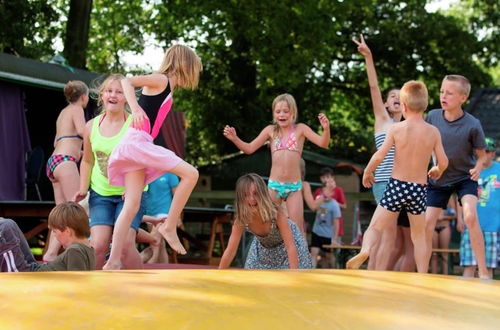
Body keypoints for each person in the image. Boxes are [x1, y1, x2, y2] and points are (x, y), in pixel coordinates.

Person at [103, 45, 202, 269]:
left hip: (136, 144)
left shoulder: (167, 86)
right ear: (184, 64)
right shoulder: (161, 79)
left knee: (131, 205)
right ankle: (168, 227)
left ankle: (113, 262)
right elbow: (127, 81)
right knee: (191, 174)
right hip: (138, 142)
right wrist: (135, 108)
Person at [346, 80, 448, 273]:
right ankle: (423, 273)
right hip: (418, 188)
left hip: (396, 186)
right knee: (419, 236)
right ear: (424, 105)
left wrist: (368, 172)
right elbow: (443, 161)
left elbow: (379, 155)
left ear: (404, 106)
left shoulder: (396, 129)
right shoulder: (433, 132)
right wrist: (437, 170)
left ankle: (366, 249)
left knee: (375, 227)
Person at [223, 94, 330, 234]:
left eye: (286, 111)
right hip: (274, 186)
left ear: (293, 113)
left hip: (294, 187)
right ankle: (268, 254)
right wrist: (235, 139)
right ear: (273, 114)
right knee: (266, 223)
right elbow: (249, 149)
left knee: (297, 229)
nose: (282, 114)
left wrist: (326, 129)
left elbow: (324, 143)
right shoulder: (270, 131)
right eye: (278, 111)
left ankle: (301, 256)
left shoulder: (301, 129)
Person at [352, 34, 413, 272]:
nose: (396, 99)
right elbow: (374, 87)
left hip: (404, 184)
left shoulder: (409, 127)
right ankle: (373, 277)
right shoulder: (383, 121)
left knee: (396, 240)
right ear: (386, 104)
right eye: (392, 97)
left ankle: (381, 275)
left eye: (401, 97)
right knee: (387, 235)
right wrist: (369, 57)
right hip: (385, 183)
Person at [74, 74, 146, 270]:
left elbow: (147, 161)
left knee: (124, 245)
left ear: (127, 97)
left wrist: (133, 189)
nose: (113, 95)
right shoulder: (91, 126)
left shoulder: (135, 124)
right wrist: (83, 188)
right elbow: (88, 161)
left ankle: (141, 291)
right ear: (102, 96)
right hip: (101, 194)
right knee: (97, 246)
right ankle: (95, 293)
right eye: (109, 91)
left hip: (130, 194)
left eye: (119, 91)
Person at [424, 74, 490, 278]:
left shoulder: (472, 124)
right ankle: (421, 270)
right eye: (442, 91)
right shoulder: (432, 117)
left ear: (463, 98)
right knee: (426, 223)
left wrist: (478, 167)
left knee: (470, 216)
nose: (443, 96)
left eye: (449, 93)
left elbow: (482, 156)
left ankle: (484, 271)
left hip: (464, 177)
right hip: (438, 177)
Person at [219, 173, 313, 269]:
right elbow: (230, 251)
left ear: (262, 194)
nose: (252, 199)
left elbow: (290, 247)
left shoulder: (276, 214)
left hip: (289, 246)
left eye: (255, 193)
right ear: (240, 198)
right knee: (252, 275)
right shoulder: (241, 220)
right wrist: (218, 275)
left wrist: (295, 276)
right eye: (246, 195)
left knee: (287, 277)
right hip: (264, 248)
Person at [44, 80, 88, 262]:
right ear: (84, 97)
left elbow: (57, 142)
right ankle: (85, 247)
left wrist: (80, 151)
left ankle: (51, 253)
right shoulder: (78, 109)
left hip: (54, 161)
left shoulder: (63, 113)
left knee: (61, 213)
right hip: (65, 161)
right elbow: (83, 131)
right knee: (79, 205)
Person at [0, 202, 95, 272]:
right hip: (33, 270)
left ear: (67, 231)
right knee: (9, 224)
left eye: (55, 231)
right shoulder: (89, 249)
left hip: (28, 276)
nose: (55, 237)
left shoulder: (75, 250)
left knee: (6, 226)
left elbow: (78, 283)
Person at [460, 137, 499, 278]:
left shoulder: (499, 169)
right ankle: (462, 298)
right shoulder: (470, 169)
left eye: (487, 151)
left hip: (493, 226)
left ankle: (486, 299)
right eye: (480, 151)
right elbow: (460, 194)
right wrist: (460, 218)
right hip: (471, 225)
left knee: (488, 268)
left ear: (493, 153)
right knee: (469, 266)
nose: (483, 154)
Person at [310, 170, 342, 268]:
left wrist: (335, 239)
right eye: (325, 192)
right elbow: (313, 207)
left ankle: (334, 271)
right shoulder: (319, 199)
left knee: (329, 256)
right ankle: (311, 272)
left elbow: (336, 223)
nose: (327, 194)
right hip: (316, 231)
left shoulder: (335, 205)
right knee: (314, 253)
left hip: (328, 234)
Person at [313, 167, 346, 244]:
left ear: (333, 178)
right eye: (323, 177)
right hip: (320, 227)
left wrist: (332, 203)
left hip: (334, 227)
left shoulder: (338, 190)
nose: (326, 179)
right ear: (320, 178)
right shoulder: (318, 191)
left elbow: (344, 206)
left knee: (332, 251)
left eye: (328, 177)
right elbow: (314, 207)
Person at [430, 195, 458, 274]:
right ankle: (432, 276)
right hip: (433, 227)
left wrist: (443, 217)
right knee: (433, 254)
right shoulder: (431, 192)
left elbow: (455, 214)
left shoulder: (449, 197)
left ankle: (446, 275)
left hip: (444, 226)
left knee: (444, 254)